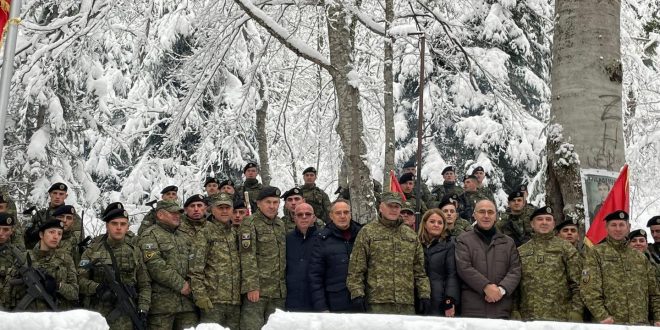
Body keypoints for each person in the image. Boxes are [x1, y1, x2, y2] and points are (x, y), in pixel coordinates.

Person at [346, 192, 431, 315]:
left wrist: (424, 295)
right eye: (390, 206)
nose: (393, 209)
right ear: (381, 207)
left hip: (405, 304)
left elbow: (419, 271)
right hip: (377, 304)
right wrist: (357, 295)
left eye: (396, 206)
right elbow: (356, 269)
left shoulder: (411, 235)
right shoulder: (368, 232)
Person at [581, 210, 660, 325]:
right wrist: (602, 316)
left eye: (622, 225)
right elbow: (588, 290)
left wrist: (658, 317)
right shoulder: (596, 253)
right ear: (606, 228)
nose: (618, 229)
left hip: (640, 324)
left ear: (628, 227)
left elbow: (654, 292)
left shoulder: (640, 257)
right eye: (613, 225)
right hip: (610, 324)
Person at [78, 208, 150, 330]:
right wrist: (97, 288)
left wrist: (143, 309)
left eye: (123, 224)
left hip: (127, 316)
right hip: (98, 316)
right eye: (114, 223)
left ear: (127, 227)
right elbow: (79, 280)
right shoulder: (92, 250)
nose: (118, 227)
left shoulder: (134, 252)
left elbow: (145, 284)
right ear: (107, 226)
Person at [455, 199, 521, 319]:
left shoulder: (508, 242)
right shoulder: (464, 240)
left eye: (490, 212)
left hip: (502, 308)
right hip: (473, 309)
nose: (486, 216)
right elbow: (464, 268)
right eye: (482, 212)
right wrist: (486, 287)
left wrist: (500, 290)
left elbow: (515, 270)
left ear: (496, 216)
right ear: (474, 215)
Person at [515, 206, 582, 321]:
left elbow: (578, 284)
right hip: (529, 317)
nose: (544, 222)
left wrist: (577, 310)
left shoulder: (566, 248)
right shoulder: (521, 251)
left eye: (548, 219)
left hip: (560, 317)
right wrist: (514, 309)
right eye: (540, 219)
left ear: (553, 223)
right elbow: (515, 285)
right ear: (532, 224)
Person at [138, 201, 197, 329]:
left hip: (188, 305)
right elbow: (155, 265)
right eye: (173, 213)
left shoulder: (184, 237)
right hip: (162, 307)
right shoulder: (150, 235)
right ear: (160, 214)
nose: (177, 216)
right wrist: (180, 284)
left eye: (179, 213)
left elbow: (195, 263)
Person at [189, 193, 241, 329]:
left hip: (235, 302)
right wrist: (201, 296)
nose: (224, 211)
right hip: (212, 302)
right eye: (220, 207)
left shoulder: (235, 233)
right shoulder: (205, 233)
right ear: (212, 210)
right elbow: (195, 270)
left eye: (227, 208)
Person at [239, 186, 286, 330]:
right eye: (268, 202)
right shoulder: (249, 223)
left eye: (275, 202)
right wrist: (252, 286)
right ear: (258, 203)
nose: (272, 206)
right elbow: (247, 256)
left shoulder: (280, 224)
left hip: (278, 291)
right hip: (258, 291)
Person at [6, 220, 79, 310]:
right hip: (27, 316)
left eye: (59, 234)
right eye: (51, 232)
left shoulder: (66, 259)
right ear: (41, 235)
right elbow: (8, 286)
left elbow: (75, 293)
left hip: (54, 317)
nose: (56, 237)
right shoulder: (25, 257)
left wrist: (57, 285)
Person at [308, 199, 362, 312]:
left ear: (351, 214)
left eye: (346, 212)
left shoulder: (362, 234)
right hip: (335, 303)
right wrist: (321, 307)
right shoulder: (322, 239)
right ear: (331, 216)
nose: (342, 216)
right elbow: (315, 276)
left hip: (361, 302)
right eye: (338, 213)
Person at [418, 209, 459, 317]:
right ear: (425, 224)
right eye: (432, 222)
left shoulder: (450, 245)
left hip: (440, 300)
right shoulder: (415, 244)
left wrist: (450, 299)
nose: (436, 225)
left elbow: (452, 274)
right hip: (418, 299)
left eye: (440, 222)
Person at [25, 182, 81, 249]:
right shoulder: (40, 215)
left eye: (61, 194)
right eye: (55, 193)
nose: (57, 197)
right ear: (50, 194)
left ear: (66, 196)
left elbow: (78, 240)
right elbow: (26, 238)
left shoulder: (71, 216)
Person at [285, 203, 319, 311]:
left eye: (308, 214)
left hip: (316, 300)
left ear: (314, 218)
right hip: (292, 300)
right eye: (299, 215)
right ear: (294, 218)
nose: (304, 217)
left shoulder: (323, 239)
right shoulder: (286, 240)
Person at [0, 213, 26, 308]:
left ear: (12, 231)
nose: (1, 233)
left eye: (6, 230)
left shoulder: (17, 253)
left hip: (10, 306)